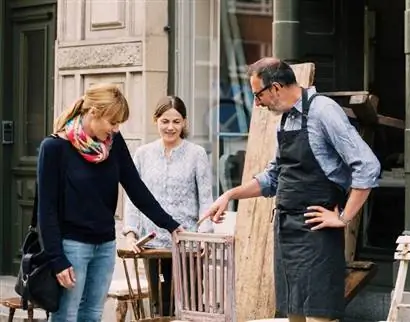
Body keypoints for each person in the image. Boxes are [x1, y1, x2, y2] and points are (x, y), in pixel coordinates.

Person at [200, 57, 381, 322]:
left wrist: (343, 217)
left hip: (317, 235)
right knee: (293, 316)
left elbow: (367, 166)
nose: (257, 103)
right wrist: (230, 195)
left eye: (257, 95)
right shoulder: (286, 119)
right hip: (286, 231)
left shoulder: (323, 111)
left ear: (275, 88)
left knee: (319, 317)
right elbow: (274, 176)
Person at [37, 83, 183, 322]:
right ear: (93, 113)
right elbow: (47, 210)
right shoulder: (54, 148)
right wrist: (57, 259)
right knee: (66, 315)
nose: (115, 129)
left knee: (93, 314)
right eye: (112, 122)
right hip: (72, 246)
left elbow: (136, 188)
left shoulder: (113, 144)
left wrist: (171, 225)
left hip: (104, 245)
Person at [123, 95, 213, 316]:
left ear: (184, 123)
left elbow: (206, 199)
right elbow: (134, 198)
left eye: (176, 121)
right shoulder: (143, 154)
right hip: (153, 245)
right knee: (159, 305)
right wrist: (131, 233)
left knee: (189, 303)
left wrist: (203, 234)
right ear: (156, 121)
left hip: (187, 245)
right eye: (165, 121)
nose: (170, 127)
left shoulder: (197, 154)